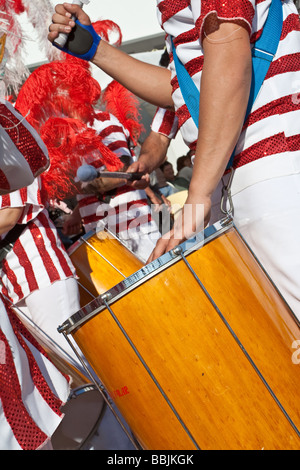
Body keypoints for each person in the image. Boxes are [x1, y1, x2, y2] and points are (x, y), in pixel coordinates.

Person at [48, 1, 300, 318]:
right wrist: (96, 50)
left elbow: (228, 54)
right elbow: (185, 88)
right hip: (248, 177)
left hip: (271, 168)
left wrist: (198, 194)